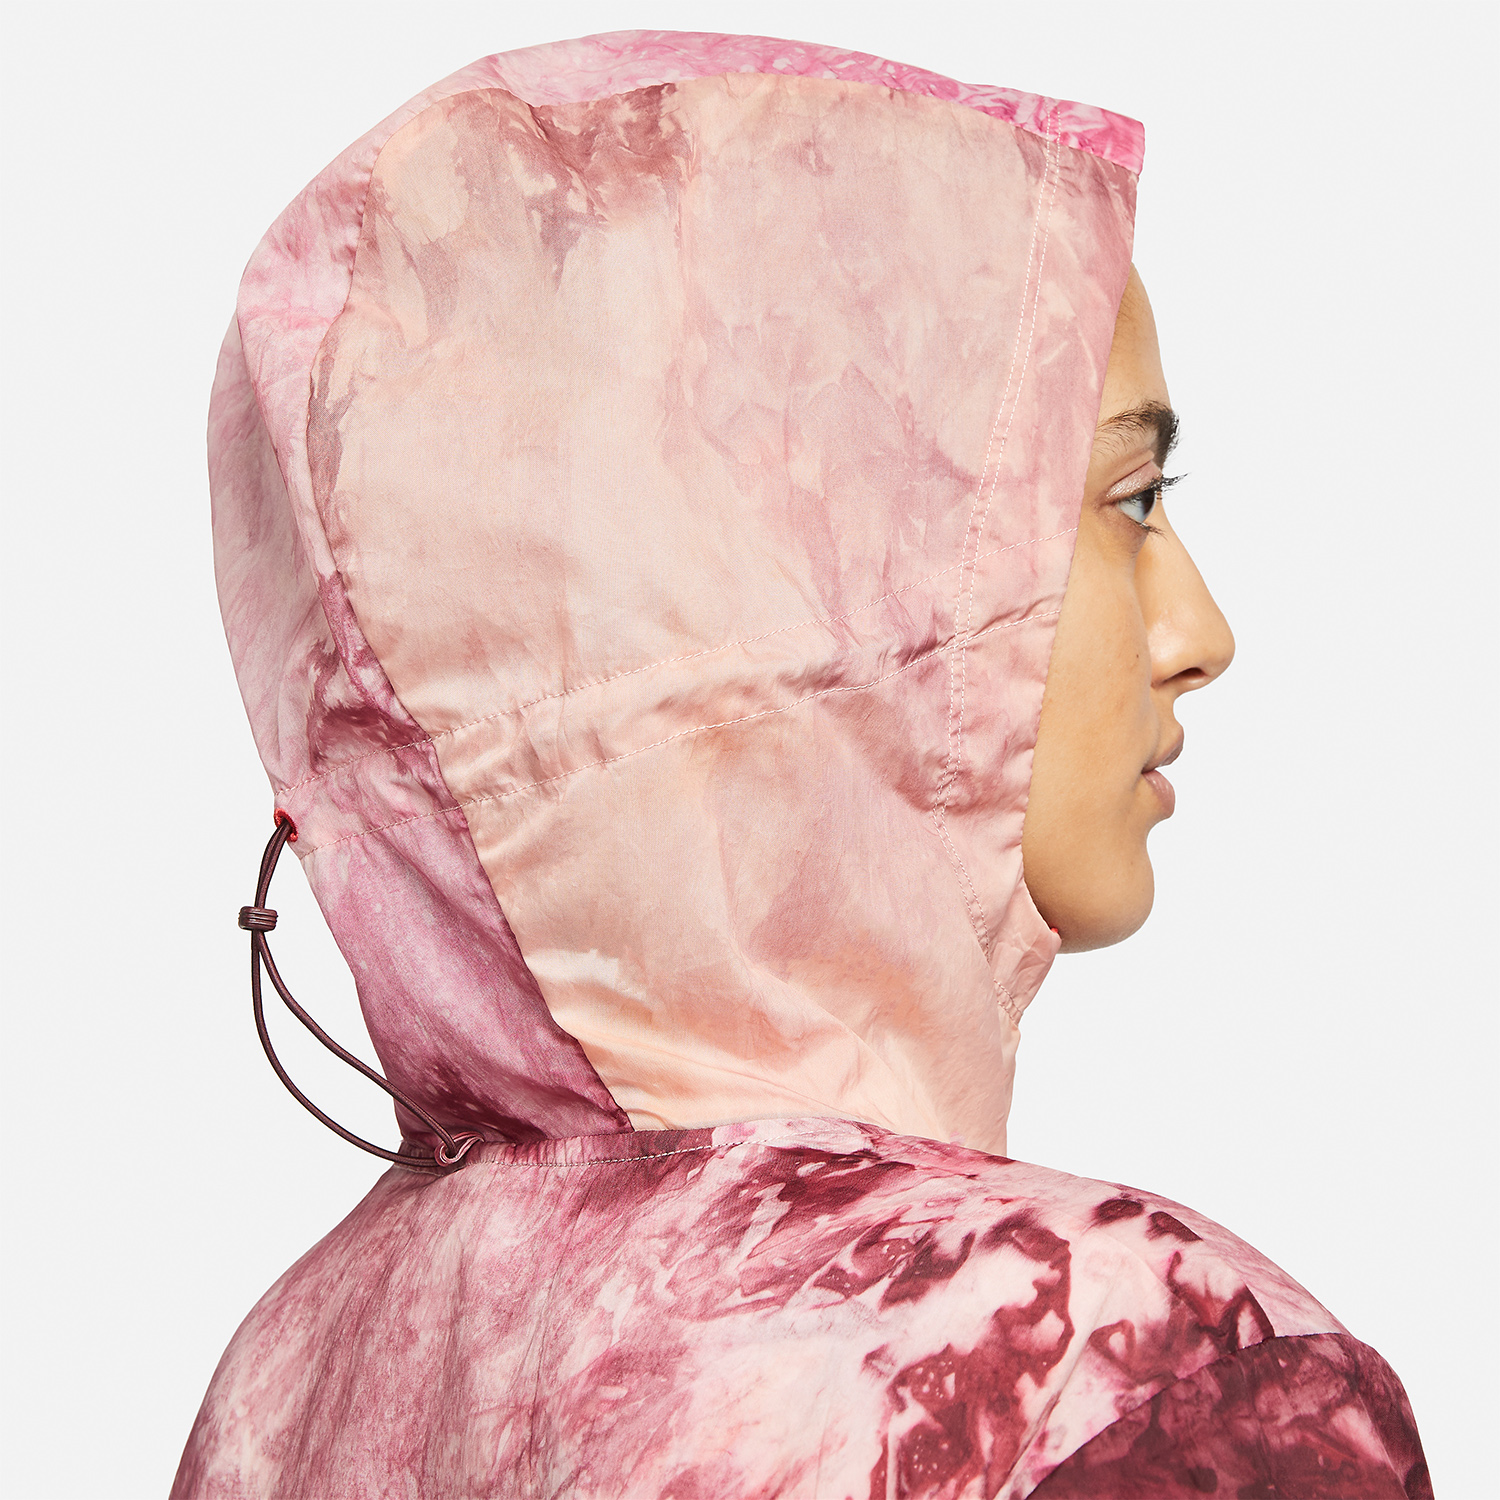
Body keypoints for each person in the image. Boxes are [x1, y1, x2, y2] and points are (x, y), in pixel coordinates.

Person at [174, 30, 1430, 1499]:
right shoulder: (1135, 1379)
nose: (1198, 633)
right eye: (1132, 501)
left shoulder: (293, 1379)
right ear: (824, 598)